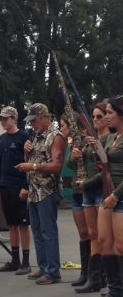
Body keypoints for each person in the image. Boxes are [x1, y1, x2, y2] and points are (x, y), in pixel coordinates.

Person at [15, 103, 66, 285]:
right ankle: (44, 267)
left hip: (47, 190)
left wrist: (32, 166)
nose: (32, 124)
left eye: (34, 120)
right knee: (37, 231)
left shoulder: (56, 137)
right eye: (30, 121)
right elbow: (32, 161)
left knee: (48, 231)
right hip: (33, 190)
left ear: (45, 117)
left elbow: (57, 166)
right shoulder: (36, 136)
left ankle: (53, 271)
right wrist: (25, 154)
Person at [72, 102, 109, 293]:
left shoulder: (110, 139)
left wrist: (85, 183)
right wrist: (75, 153)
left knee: (104, 237)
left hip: (101, 190)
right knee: (92, 234)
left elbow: (105, 169)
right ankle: (94, 277)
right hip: (87, 192)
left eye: (99, 116)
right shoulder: (87, 139)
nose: (95, 120)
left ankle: (104, 276)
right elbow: (72, 164)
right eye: (93, 117)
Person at [0, 106, 31, 275]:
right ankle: (15, 260)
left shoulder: (24, 136)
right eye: (1, 119)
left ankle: (26, 262)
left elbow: (29, 162)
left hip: (18, 185)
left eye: (6, 119)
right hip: (5, 184)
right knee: (11, 224)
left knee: (23, 224)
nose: (3, 122)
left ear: (14, 119)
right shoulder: (1, 138)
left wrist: (25, 186)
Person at [96, 96, 123, 297]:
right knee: (104, 240)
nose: (106, 117)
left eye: (109, 112)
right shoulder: (113, 137)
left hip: (119, 195)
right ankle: (115, 289)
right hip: (108, 194)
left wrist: (116, 195)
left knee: (121, 245)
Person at [64, 114, 90, 288]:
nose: (62, 129)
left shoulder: (89, 141)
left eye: (64, 126)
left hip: (89, 190)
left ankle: (98, 272)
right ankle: (85, 272)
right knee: (83, 234)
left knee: (94, 234)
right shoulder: (70, 143)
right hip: (76, 192)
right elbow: (69, 165)